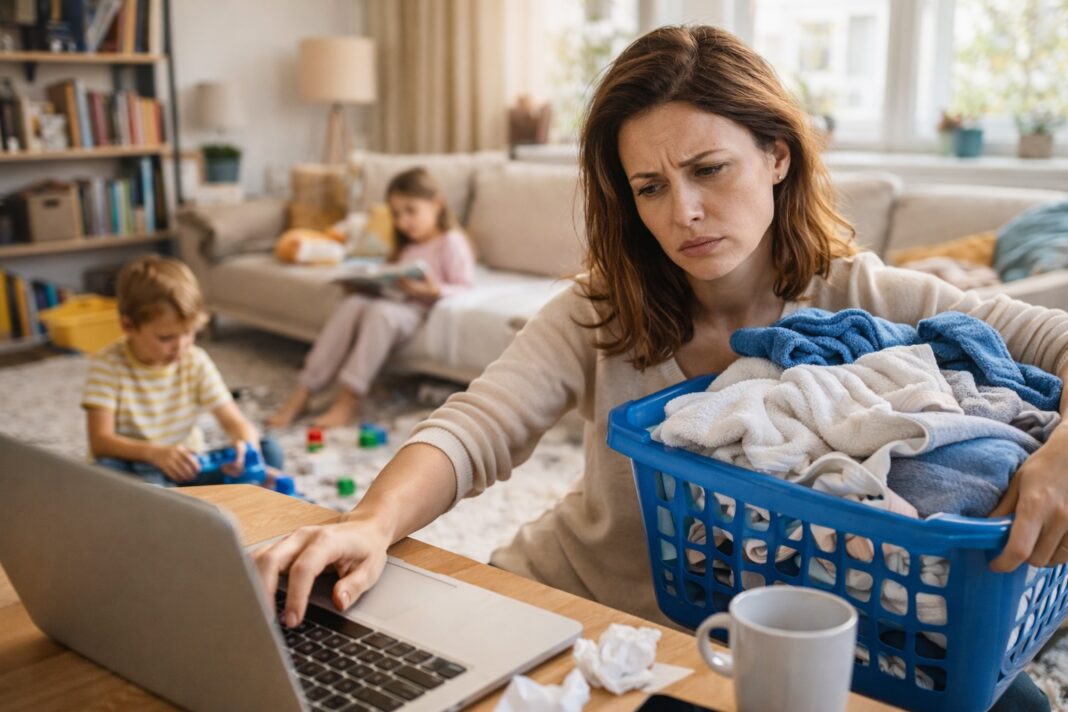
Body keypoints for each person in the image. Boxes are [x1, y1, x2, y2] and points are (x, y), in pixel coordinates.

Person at [255, 26, 1067, 709]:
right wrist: (370, 522)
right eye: (650, 187)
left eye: (709, 169)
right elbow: (478, 424)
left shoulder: (866, 297)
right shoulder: (598, 309)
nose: (683, 212)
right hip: (579, 608)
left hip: (771, 640)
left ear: (777, 156)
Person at [267, 167, 476, 429]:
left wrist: (433, 291)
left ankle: (349, 399)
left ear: (436, 204)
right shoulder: (407, 245)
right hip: (394, 301)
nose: (403, 222)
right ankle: (304, 391)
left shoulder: (451, 241)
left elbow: (465, 286)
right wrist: (366, 287)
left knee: (380, 313)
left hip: (417, 310)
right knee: (352, 304)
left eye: (411, 211)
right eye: (397, 214)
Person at [83, 255, 283, 486]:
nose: (181, 346)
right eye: (166, 338)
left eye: (188, 333)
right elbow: (101, 441)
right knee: (105, 472)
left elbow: (234, 422)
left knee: (269, 451)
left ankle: (181, 497)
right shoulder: (108, 365)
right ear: (128, 326)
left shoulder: (195, 360)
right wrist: (154, 454)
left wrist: (245, 447)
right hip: (136, 465)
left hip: (189, 467)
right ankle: (174, 499)